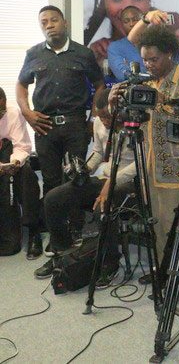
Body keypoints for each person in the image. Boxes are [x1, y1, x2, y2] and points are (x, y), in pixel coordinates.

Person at [17, 5, 105, 257]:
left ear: (64, 23)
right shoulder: (33, 54)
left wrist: (94, 118)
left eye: (53, 20)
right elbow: (21, 85)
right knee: (51, 180)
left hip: (75, 124)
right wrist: (27, 112)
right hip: (44, 125)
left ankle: (75, 228)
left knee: (76, 179)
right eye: (44, 22)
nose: (49, 25)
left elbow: (99, 85)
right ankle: (57, 233)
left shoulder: (83, 54)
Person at [109, 25, 179, 257]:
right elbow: (127, 122)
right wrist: (115, 102)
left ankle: (170, 272)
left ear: (168, 53)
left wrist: (162, 99)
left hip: (175, 170)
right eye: (144, 60)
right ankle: (159, 268)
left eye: (154, 59)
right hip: (148, 166)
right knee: (154, 224)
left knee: (172, 226)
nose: (148, 65)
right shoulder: (146, 84)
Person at [33, 89, 127, 282]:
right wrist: (85, 169)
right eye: (100, 116)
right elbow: (99, 153)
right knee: (53, 198)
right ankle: (63, 254)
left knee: (103, 207)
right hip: (104, 177)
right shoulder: (99, 122)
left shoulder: (133, 126)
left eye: (108, 116)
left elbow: (140, 164)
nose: (104, 121)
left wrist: (111, 181)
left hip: (128, 181)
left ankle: (110, 262)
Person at [0, 87, 41, 258]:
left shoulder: (13, 113)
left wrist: (15, 162)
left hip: (13, 156)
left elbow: (21, 146)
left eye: (1, 110)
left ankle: (34, 232)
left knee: (26, 175)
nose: (1, 114)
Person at [107, 5, 146, 81]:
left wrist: (135, 70)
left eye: (135, 19)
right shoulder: (115, 47)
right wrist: (149, 72)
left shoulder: (154, 43)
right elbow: (123, 75)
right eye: (126, 21)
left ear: (143, 21)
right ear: (122, 24)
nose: (131, 24)